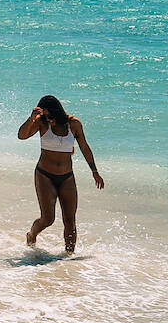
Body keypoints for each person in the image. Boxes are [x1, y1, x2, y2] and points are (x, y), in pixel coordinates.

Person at [18, 94, 104, 253]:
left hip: (67, 177)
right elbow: (21, 136)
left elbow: (84, 147)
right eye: (44, 115)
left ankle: (68, 256)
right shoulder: (41, 123)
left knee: (70, 220)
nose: (47, 118)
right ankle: (31, 235)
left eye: (47, 114)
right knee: (48, 219)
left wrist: (94, 171)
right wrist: (31, 119)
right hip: (44, 175)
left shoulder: (74, 124)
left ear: (55, 111)